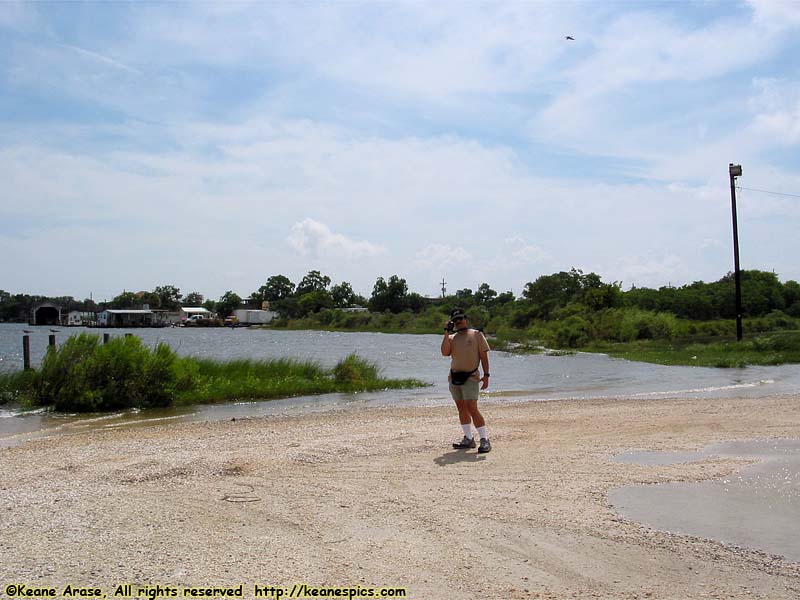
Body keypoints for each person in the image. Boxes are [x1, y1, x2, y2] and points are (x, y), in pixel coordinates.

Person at [441, 308, 491, 453]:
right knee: (461, 408)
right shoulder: (452, 338)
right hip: (455, 378)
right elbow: (444, 352)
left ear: (465, 319)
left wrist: (486, 375)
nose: (459, 322)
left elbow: (483, 356)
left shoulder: (476, 335)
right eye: (455, 320)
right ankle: (468, 438)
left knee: (472, 407)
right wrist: (446, 332)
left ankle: (484, 439)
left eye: (460, 319)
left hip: (471, 377)